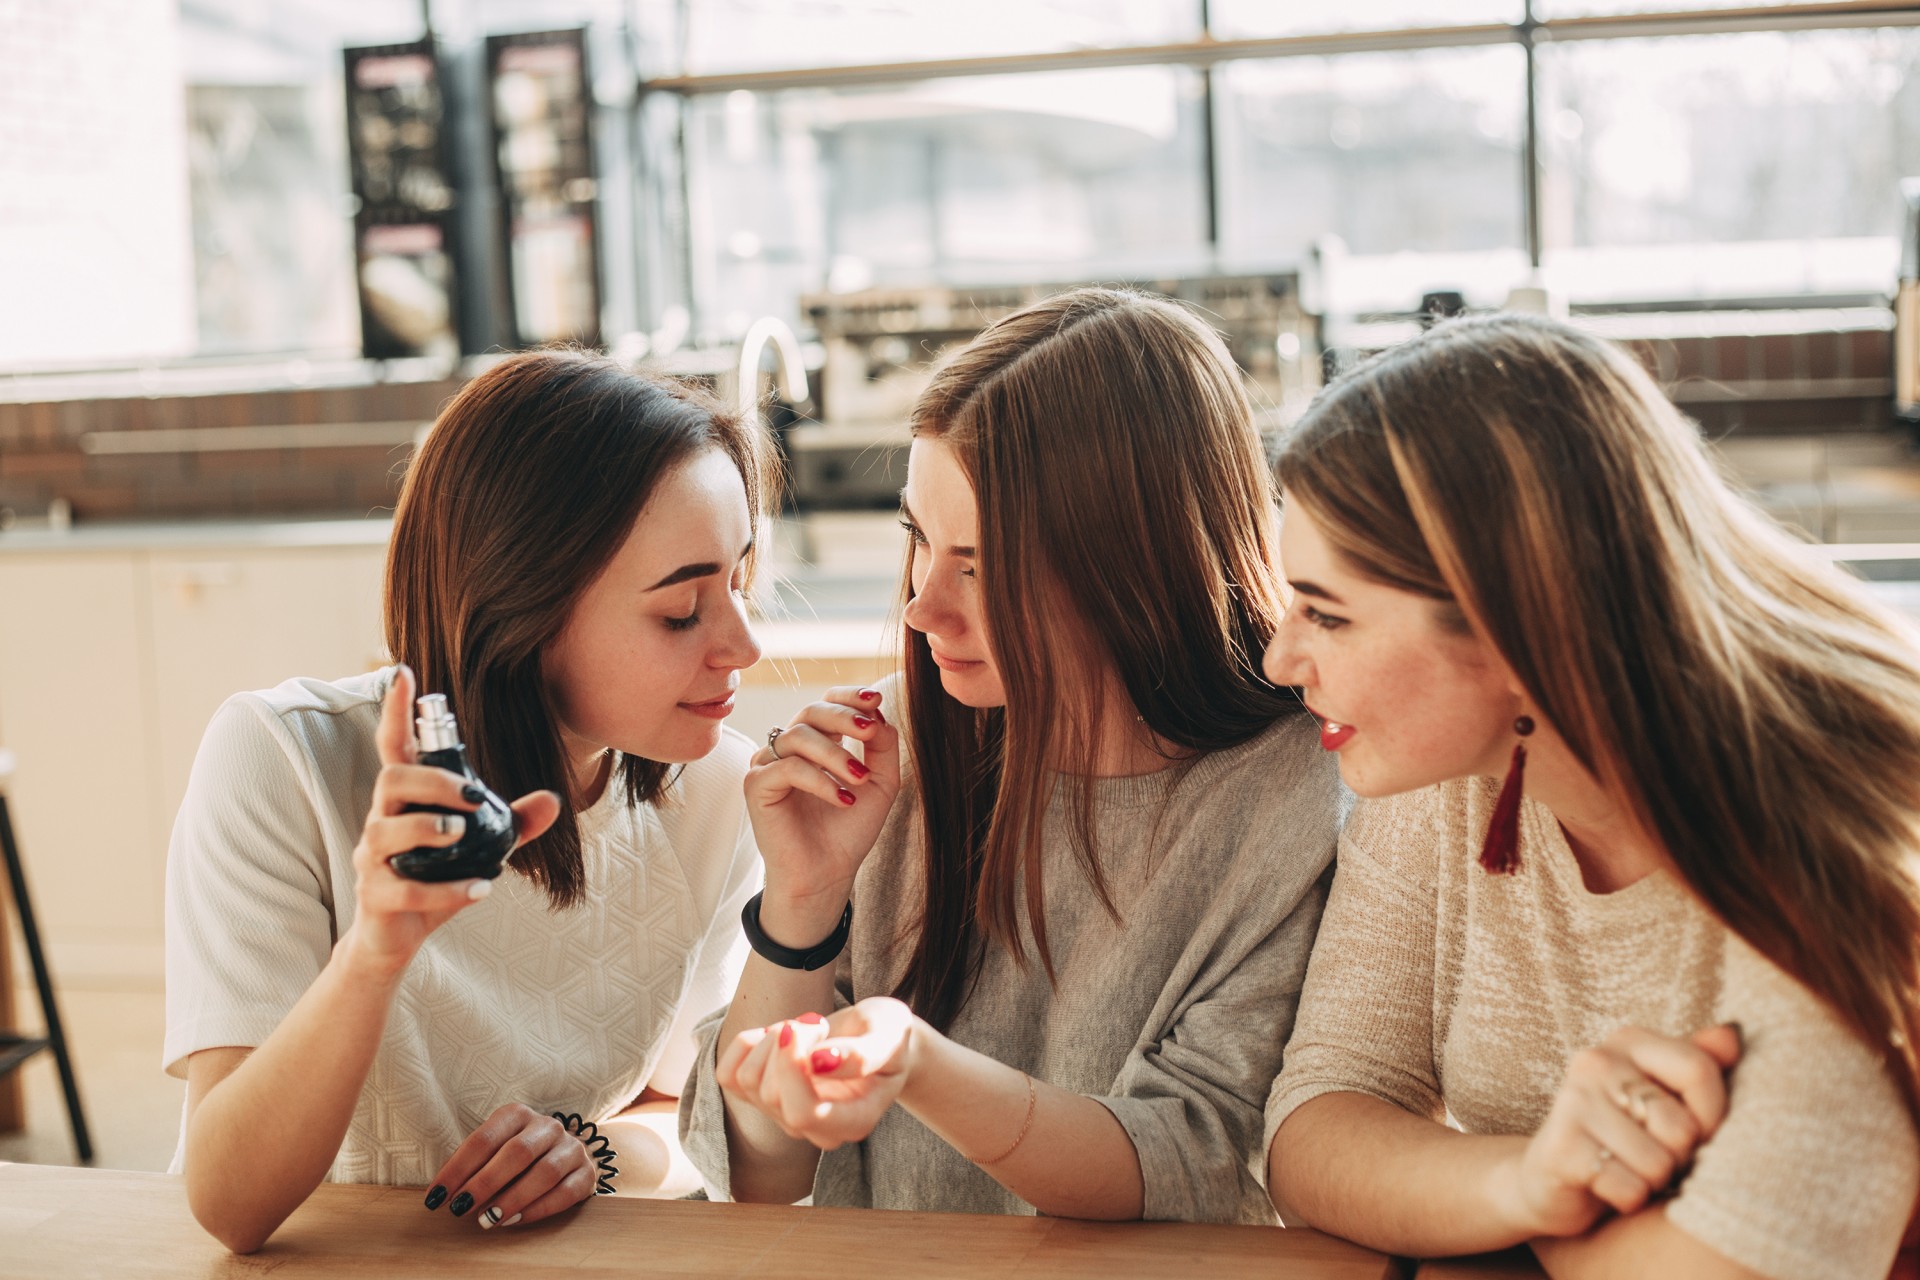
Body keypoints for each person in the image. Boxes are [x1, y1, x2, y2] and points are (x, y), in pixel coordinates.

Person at [1261, 312, 1920, 1279]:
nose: (1282, 657)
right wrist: (1532, 1182)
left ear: (1516, 629)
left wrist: (1529, 1213)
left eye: (1327, 612)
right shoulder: (1450, 762)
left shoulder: (1833, 813)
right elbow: (1314, 1126)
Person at [677, 287, 1345, 1223]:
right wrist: (801, 903)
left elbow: (1197, 1163)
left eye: (982, 566)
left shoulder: (1306, 797)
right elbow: (757, 1172)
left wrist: (913, 1062)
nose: (921, 607)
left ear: (1137, 567)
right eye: (918, 538)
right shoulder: (894, 749)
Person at [165, 352, 771, 1251]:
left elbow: (676, 1117)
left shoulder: (722, 791)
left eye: (741, 581)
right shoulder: (283, 760)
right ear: (519, 610)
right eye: (682, 610)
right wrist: (375, 953)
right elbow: (231, 1204)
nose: (744, 644)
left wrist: (590, 1152)